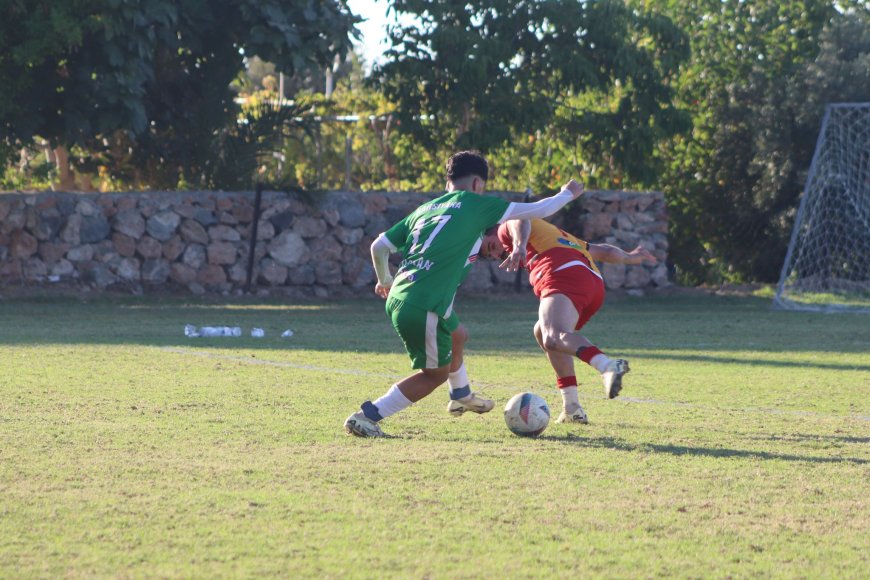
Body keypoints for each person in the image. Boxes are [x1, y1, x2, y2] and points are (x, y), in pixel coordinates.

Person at [344, 151, 585, 437]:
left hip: (403, 294)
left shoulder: (426, 209)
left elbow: (378, 247)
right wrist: (567, 193)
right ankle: (367, 416)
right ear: (477, 185)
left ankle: (461, 394)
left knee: (458, 334)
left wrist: (385, 279)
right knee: (433, 375)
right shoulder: (475, 204)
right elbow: (540, 210)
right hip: (424, 303)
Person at [479, 217, 657, 423]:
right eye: (491, 256)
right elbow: (604, 252)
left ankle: (608, 366)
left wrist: (518, 245)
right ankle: (572, 408)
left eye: (491, 246)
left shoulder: (506, 228)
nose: (496, 254)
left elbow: (519, 220)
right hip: (592, 285)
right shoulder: (557, 235)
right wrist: (629, 257)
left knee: (552, 336)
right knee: (542, 331)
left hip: (563, 273)